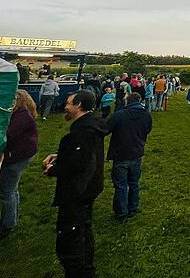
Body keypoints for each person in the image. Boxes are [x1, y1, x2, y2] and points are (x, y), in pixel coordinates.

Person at [43, 90, 107, 278]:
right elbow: (85, 156)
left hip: (78, 191)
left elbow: (79, 164)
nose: (65, 106)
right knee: (83, 230)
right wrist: (61, 155)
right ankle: (86, 268)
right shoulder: (91, 126)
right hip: (89, 188)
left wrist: (52, 170)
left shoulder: (84, 131)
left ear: (79, 105)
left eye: (69, 103)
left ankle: (78, 271)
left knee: (71, 238)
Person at [0, 90, 39, 241]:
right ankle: (10, 220)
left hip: (16, 158)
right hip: (19, 156)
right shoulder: (22, 114)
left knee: (6, 192)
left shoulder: (21, 116)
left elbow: (7, 135)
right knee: (11, 190)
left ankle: (6, 225)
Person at [105, 92, 152, 223]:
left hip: (121, 154)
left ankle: (121, 213)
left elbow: (106, 129)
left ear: (128, 101)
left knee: (121, 185)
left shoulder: (119, 115)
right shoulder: (146, 114)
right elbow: (148, 129)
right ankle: (133, 207)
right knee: (134, 183)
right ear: (140, 100)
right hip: (137, 152)